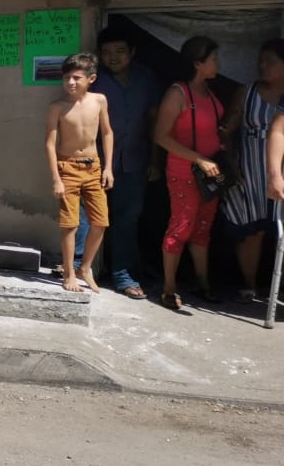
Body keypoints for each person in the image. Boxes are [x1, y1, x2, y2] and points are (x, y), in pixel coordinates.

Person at [67, 27, 161, 299]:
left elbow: (153, 120)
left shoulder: (145, 78)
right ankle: (75, 268)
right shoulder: (94, 82)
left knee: (126, 220)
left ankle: (122, 275)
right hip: (94, 161)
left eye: (120, 51)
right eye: (106, 52)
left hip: (134, 160)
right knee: (86, 215)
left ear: (132, 52)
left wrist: (156, 158)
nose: (113, 57)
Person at [154, 36, 225, 311]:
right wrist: (200, 159)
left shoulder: (208, 91)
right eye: (214, 59)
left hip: (210, 172)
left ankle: (202, 283)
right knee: (181, 227)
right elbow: (160, 136)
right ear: (198, 64)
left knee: (203, 229)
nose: (218, 63)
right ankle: (169, 289)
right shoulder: (178, 93)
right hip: (186, 171)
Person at [220, 39, 284, 302]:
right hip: (249, 169)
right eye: (260, 61)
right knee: (251, 228)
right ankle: (249, 284)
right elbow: (226, 130)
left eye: (269, 61)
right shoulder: (247, 92)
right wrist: (230, 162)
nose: (262, 66)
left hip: (279, 170)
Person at [45, 54, 114, 293]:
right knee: (70, 224)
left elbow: (107, 133)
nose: (71, 83)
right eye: (66, 78)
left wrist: (108, 167)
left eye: (77, 78)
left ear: (91, 79)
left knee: (100, 222)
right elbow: (50, 143)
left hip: (93, 167)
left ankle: (86, 267)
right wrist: (56, 178)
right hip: (68, 168)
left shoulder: (99, 101)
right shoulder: (57, 107)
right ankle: (69, 273)